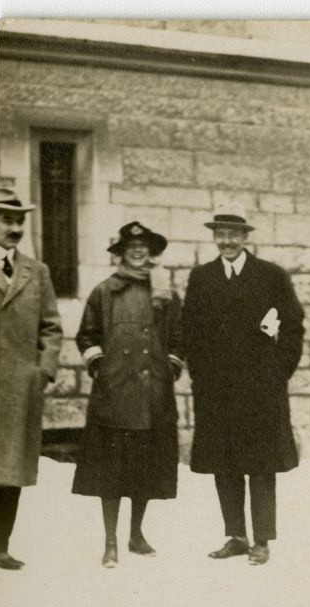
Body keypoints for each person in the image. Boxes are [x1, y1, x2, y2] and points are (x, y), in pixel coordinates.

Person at [181, 208, 305, 566]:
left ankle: (262, 539)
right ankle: (235, 535)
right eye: (221, 234)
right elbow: (190, 328)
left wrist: (279, 369)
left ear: (245, 237)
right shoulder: (202, 277)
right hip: (217, 388)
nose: (227, 241)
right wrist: (200, 374)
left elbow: (293, 325)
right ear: (214, 237)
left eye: (234, 234)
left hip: (261, 387)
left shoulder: (271, 275)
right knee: (225, 461)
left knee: (261, 463)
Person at [72, 222, 183, 567]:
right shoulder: (104, 292)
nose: (139, 251)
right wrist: (100, 367)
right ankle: (110, 542)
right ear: (121, 252)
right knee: (111, 471)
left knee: (145, 469)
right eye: (132, 246)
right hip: (115, 394)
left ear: (152, 251)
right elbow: (87, 336)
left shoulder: (166, 294)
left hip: (153, 395)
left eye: (145, 246)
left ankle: (136, 534)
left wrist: (171, 367)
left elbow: (179, 339)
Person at [0, 187, 63, 571]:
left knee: (10, 468)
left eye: (19, 221)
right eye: (6, 220)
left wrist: (43, 370)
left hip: (20, 385)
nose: (14, 227)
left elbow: (51, 326)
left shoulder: (38, 272)